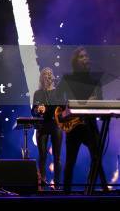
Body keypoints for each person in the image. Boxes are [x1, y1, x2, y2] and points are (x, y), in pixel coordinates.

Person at [56, 46, 107, 193]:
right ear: (75, 61)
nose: (85, 59)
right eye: (82, 57)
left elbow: (101, 104)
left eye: (86, 56)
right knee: (70, 162)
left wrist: (96, 102)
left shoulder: (95, 81)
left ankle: (94, 190)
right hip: (74, 126)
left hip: (90, 124)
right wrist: (68, 107)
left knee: (97, 159)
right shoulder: (68, 78)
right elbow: (57, 97)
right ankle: (66, 193)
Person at [31, 67, 62, 188]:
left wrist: (46, 109)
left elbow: (59, 109)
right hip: (42, 125)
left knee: (57, 156)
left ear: (53, 77)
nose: (47, 76)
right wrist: (38, 110)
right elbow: (32, 111)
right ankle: (42, 181)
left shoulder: (58, 92)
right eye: (45, 74)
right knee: (42, 155)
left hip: (55, 124)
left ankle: (57, 184)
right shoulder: (38, 93)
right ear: (41, 78)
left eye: (49, 74)